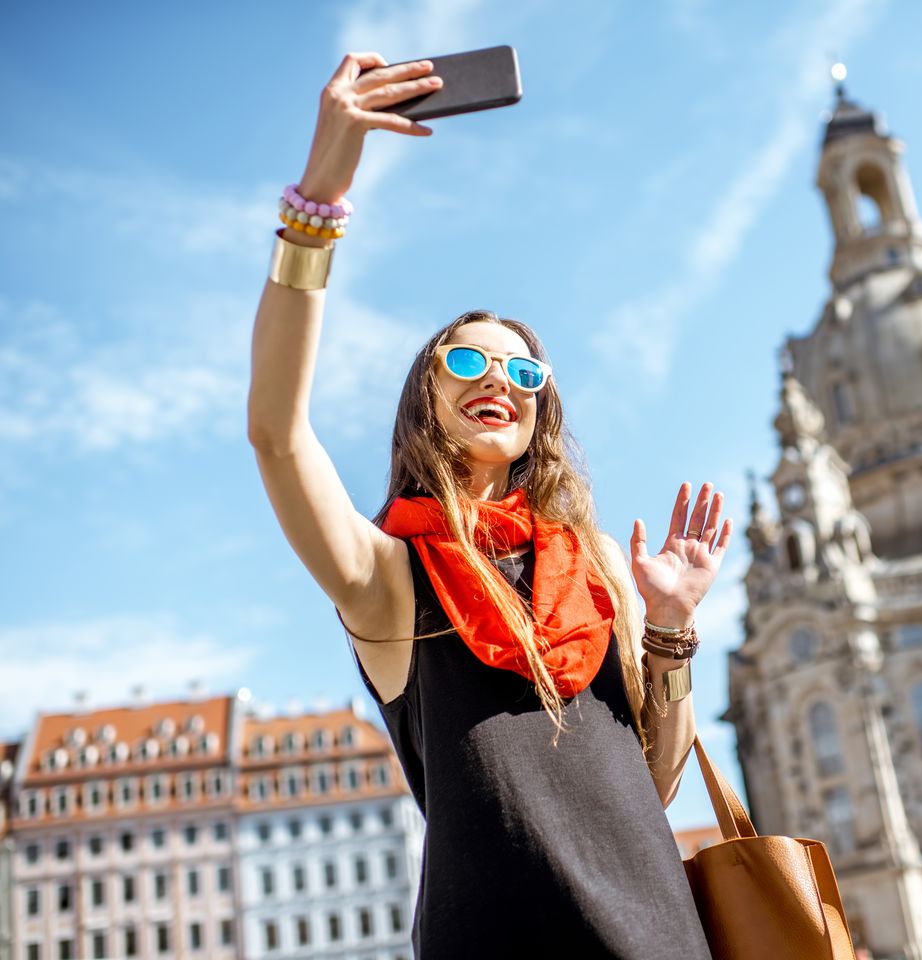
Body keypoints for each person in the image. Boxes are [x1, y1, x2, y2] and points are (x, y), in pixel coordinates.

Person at [247, 53, 730, 959]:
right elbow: (277, 432)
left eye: (523, 369)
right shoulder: (390, 576)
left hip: (659, 935)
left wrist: (667, 627)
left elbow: (652, 783)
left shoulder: (592, 568)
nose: (497, 377)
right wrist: (317, 205)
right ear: (423, 397)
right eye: (466, 362)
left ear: (541, 407)